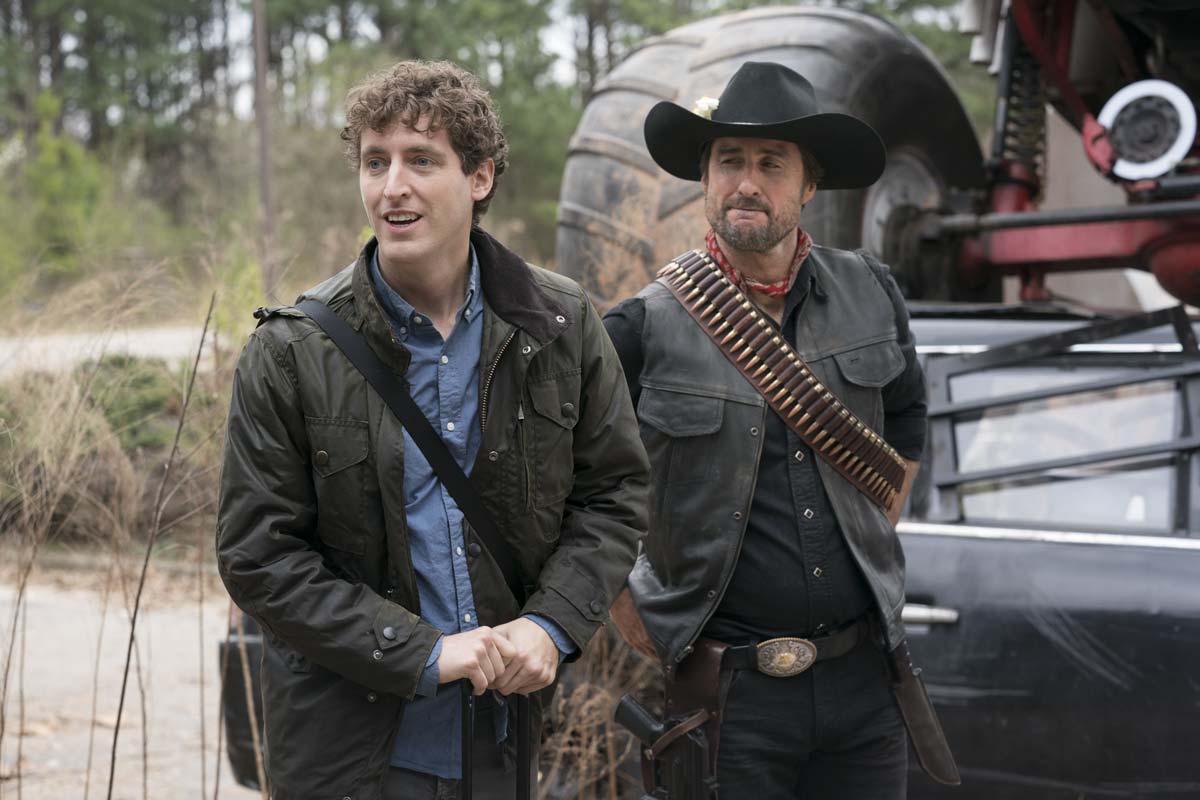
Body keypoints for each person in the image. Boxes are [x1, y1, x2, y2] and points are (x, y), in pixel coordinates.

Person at [216, 60, 649, 800]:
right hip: (347, 758)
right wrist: (419, 652)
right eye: (375, 162)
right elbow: (258, 554)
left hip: (504, 740)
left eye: (421, 160)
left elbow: (614, 495)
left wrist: (550, 625)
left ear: (479, 177)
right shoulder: (291, 350)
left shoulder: (560, 323)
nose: (392, 187)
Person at [605, 61, 955, 798]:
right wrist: (624, 603)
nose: (746, 183)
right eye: (729, 160)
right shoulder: (641, 325)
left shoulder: (872, 289)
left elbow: (908, 418)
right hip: (727, 698)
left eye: (771, 164)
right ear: (705, 179)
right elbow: (574, 477)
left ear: (809, 185)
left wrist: (873, 523)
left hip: (865, 685)